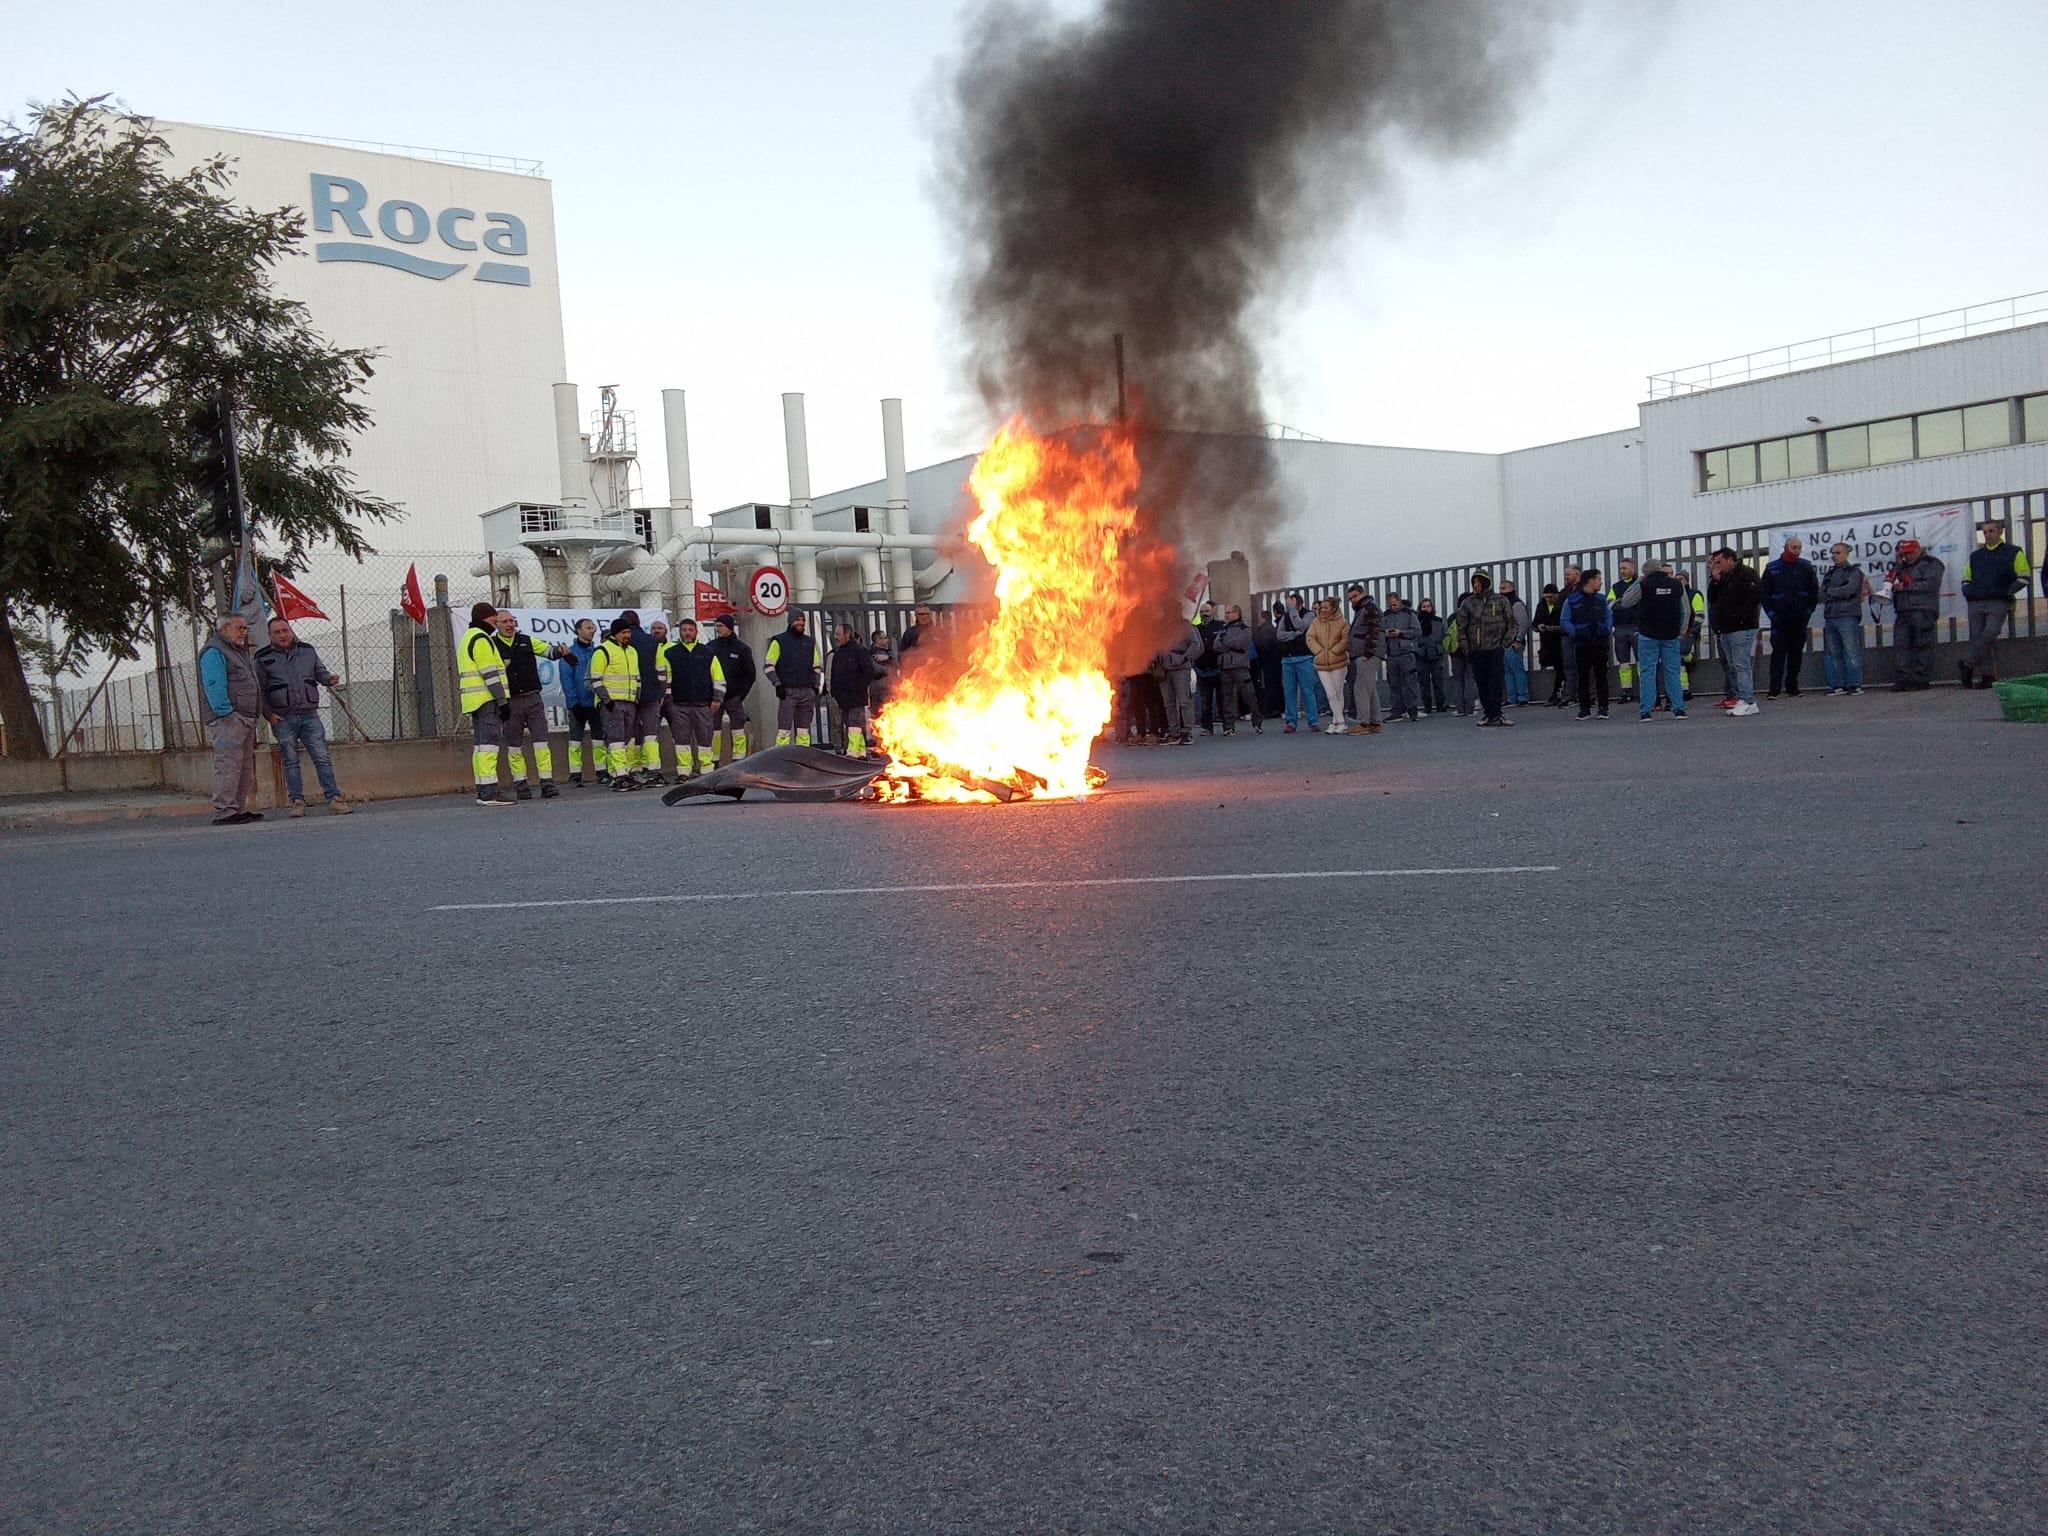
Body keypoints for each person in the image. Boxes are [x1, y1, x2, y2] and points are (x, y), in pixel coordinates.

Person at [257, 616, 351, 816]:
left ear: (290, 630)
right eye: (277, 632)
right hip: (282, 717)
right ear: (270, 635)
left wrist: (328, 679)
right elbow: (260, 690)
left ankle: (334, 798)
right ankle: (297, 802)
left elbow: (320, 672)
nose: (282, 635)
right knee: (290, 760)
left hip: (309, 715)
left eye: (285, 630)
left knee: (322, 757)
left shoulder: (308, 651)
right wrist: (269, 715)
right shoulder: (262, 657)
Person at [199, 612, 268, 825]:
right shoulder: (214, 652)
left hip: (244, 717)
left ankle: (238, 808)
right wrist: (226, 713)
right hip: (229, 718)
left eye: (245, 629)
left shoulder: (237, 651)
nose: (244, 633)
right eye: (240, 628)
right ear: (224, 629)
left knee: (243, 766)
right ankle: (225, 811)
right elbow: (214, 684)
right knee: (229, 765)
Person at [491, 610, 564, 800]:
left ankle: (547, 783)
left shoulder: (527, 640)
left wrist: (560, 651)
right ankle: (521, 784)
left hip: (533, 699)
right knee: (514, 746)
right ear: (497, 624)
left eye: (512, 621)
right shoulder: (492, 645)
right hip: (510, 701)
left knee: (541, 743)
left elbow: (549, 652)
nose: (509, 625)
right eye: (505, 621)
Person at [1960, 518, 2033, 688]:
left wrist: (2007, 592)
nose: (1987, 535)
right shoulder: (1976, 556)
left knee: (1990, 633)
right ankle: (1986, 676)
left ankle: (1967, 663)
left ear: (2000, 532)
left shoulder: (2013, 552)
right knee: (1977, 637)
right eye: (1984, 532)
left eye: (1991, 531)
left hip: (1999, 601)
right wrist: (1969, 593)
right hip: (1976, 601)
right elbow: (1966, 579)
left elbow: (2024, 576)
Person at [457, 601, 515, 805]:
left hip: (476, 701)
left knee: (481, 747)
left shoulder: (468, 637)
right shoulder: (482, 639)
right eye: (493, 617)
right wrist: (502, 701)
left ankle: (484, 789)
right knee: (489, 746)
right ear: (485, 618)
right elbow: (490, 674)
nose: (496, 621)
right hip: (487, 700)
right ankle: (490, 792)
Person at [1622, 559, 1688, 720]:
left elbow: (1626, 602)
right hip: (1671, 635)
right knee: (1673, 672)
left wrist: (1638, 581)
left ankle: (1646, 710)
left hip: (1648, 634)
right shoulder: (1676, 584)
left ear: (1645, 572)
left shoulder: (1644, 584)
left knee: (1647, 672)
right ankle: (1678, 708)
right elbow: (1686, 609)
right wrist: (1681, 631)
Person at [1452, 572, 1517, 727]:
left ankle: (1497, 714)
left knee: (1495, 682)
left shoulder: (1500, 600)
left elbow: (1511, 623)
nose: (1476, 585)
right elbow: (1461, 627)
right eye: (1474, 582)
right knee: (1482, 683)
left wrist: (1505, 643)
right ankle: (1488, 714)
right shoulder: (1467, 603)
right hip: (1476, 650)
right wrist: (1466, 647)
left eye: (1479, 582)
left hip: (1495, 648)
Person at [1760, 536, 1820, 698]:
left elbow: (1814, 591)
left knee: (1796, 653)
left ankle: (1792, 687)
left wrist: (1808, 611)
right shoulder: (1772, 568)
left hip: (1799, 618)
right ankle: (1774, 689)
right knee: (1778, 654)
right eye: (1794, 547)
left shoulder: (1806, 567)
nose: (1797, 551)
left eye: (1799, 547)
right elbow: (1764, 594)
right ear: (1786, 547)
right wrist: (1772, 614)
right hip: (1780, 619)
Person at [589, 614, 644, 790]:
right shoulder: (602, 651)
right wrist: (607, 700)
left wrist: (636, 698)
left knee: (626, 739)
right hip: (612, 703)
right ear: (615, 633)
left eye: (628, 632)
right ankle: (620, 774)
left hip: (629, 702)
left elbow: (637, 677)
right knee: (616, 739)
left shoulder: (632, 651)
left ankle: (621, 773)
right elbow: (595, 679)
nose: (627, 635)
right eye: (624, 632)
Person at [1707, 548, 1764, 716]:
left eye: (1719, 562)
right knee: (1733, 665)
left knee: (1741, 664)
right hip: (1725, 628)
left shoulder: (1746, 574)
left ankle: (1747, 700)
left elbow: (1756, 596)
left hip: (1742, 627)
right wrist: (1716, 581)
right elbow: (1712, 598)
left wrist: (1740, 616)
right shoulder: (1722, 578)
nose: (1715, 566)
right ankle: (1741, 698)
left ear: (1730, 559)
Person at [663, 618, 723, 776]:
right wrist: (670, 704)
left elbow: (718, 678)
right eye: (684, 630)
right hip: (679, 705)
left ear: (696, 632)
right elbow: (666, 680)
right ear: (679, 632)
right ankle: (684, 772)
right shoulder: (670, 654)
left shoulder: (707, 653)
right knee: (681, 740)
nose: (687, 633)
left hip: (703, 704)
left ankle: (707, 771)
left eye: (690, 629)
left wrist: (717, 699)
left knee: (705, 739)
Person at [1886, 538, 1945, 691]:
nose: (1907, 556)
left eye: (1910, 553)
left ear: (1918, 550)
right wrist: (1898, 564)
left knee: (1923, 644)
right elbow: (1890, 581)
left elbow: (1931, 584)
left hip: (1923, 609)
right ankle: (1905, 678)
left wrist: (1906, 586)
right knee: (1901, 645)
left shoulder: (1931, 563)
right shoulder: (1901, 566)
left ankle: (1921, 678)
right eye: (1904, 553)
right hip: (1903, 610)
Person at [560, 618, 609, 786]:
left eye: (593, 628)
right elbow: (567, 680)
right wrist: (574, 702)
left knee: (598, 739)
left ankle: (602, 771)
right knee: (575, 740)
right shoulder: (570, 654)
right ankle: (575, 774)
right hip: (578, 705)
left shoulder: (597, 652)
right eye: (588, 628)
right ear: (578, 631)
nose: (592, 630)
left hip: (595, 703)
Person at [766, 610, 822, 746]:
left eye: (803, 620)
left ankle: (802, 757)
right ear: (790, 621)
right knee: (784, 729)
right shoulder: (779, 641)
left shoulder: (809, 642)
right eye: (797, 620)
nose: (801, 623)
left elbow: (817, 666)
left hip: (807, 691)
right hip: (787, 692)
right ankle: (782, 758)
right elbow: (768, 666)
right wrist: (778, 685)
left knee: (804, 730)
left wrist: (815, 686)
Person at [1562, 569, 1612, 720]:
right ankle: (1584, 709)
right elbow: (1565, 620)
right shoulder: (1572, 600)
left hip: (1600, 641)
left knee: (1601, 676)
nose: (1601, 582)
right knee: (1583, 676)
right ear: (1590, 581)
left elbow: (1609, 617)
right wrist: (1576, 633)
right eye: (1598, 579)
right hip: (1582, 642)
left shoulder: (1601, 599)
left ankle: (1603, 708)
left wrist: (1606, 630)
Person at [1819, 543, 1869, 696]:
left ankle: (1855, 684)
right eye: (1833, 553)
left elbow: (1849, 589)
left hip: (1847, 615)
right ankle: (1838, 685)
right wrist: (1835, 592)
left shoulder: (1854, 572)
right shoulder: (1829, 573)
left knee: (1851, 651)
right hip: (1831, 616)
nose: (1834, 555)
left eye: (1838, 552)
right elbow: (1820, 594)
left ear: (1846, 554)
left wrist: (1830, 592)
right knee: (1835, 652)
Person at [708, 613, 756, 759]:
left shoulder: (742, 649)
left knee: (738, 730)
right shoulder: (710, 647)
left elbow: (750, 675)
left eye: (720, 626)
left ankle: (739, 760)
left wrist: (740, 696)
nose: (718, 629)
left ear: (729, 627)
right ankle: (714, 760)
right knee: (713, 731)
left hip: (733, 697)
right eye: (716, 626)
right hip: (714, 698)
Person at [827, 621, 878, 754]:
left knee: (855, 725)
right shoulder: (838, 653)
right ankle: (861, 752)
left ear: (847, 634)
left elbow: (868, 672)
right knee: (851, 725)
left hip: (856, 697)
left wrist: (859, 688)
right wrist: (835, 693)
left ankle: (852, 752)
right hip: (843, 699)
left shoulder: (859, 651)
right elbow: (834, 675)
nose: (835, 637)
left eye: (838, 634)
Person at [1306, 597, 1351, 734]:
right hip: (1322, 663)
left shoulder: (1342, 622)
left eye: (1326, 607)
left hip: (1338, 661)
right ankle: (1339, 721)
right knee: (1330, 693)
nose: (1323, 610)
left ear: (1334, 608)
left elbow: (1345, 639)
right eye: (1322, 607)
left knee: (1338, 692)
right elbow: (1310, 638)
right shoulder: (1315, 622)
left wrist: (1333, 651)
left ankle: (1337, 722)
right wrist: (1319, 652)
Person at [1275, 592, 1318, 733]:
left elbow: (1301, 625)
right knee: (1289, 692)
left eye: (1290, 602)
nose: (1287, 605)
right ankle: (1291, 722)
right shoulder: (1284, 617)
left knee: (1307, 690)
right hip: (1287, 659)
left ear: (1296, 602)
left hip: (1304, 657)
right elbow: (1279, 635)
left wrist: (1293, 611)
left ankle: (1313, 721)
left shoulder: (1309, 614)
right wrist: (1293, 634)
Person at [1216, 605, 1262, 734]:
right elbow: (1216, 645)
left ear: (1237, 613)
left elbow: (1240, 644)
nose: (1226, 615)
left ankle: (1257, 722)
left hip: (1240, 666)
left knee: (1249, 695)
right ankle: (1228, 727)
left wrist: (1226, 643)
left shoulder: (1245, 629)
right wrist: (1230, 644)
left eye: (1229, 612)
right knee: (1227, 697)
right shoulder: (1223, 629)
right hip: (1225, 667)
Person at [1160, 612, 1203, 744]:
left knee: (1184, 701)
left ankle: (1187, 732)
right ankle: (1174, 732)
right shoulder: (1161, 627)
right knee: (1169, 703)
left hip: (1181, 669)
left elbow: (1197, 645)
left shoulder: (1186, 626)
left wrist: (1184, 657)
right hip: (1164, 668)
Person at [1345, 584, 1382, 734]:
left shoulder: (1369, 608)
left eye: (1355, 596)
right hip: (1366, 652)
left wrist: (1368, 652)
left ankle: (1363, 723)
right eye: (1350, 598)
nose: (1352, 600)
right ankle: (1375, 722)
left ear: (1362, 594)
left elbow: (1374, 630)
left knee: (1360, 687)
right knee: (1369, 687)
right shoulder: (1365, 609)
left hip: (1365, 653)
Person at [1380, 592, 1422, 723]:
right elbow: (1379, 632)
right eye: (1390, 605)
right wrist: (1385, 634)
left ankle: (1412, 710)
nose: (1393, 607)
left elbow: (1417, 631)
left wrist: (1401, 633)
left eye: (1394, 604)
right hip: (1391, 654)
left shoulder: (1410, 614)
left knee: (1410, 684)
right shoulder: (1385, 616)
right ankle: (1396, 711)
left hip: (1406, 653)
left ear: (1399, 601)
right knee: (1393, 684)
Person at [1605, 561, 1640, 702]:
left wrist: (1620, 603)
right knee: (1623, 662)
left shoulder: (1639, 584)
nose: (1622, 571)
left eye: (1624, 568)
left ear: (1633, 568)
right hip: (1620, 628)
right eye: (1620, 568)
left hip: (1637, 626)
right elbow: (1609, 604)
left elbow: (1618, 604)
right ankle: (1626, 691)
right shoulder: (1616, 587)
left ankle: (1645, 689)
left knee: (1641, 660)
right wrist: (1627, 604)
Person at [1192, 601, 1224, 733]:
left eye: (1207, 611)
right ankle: (1207, 726)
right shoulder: (1196, 628)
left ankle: (1227, 725)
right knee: (1205, 699)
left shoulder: (1221, 626)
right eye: (1202, 612)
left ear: (1212, 612)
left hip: (1218, 669)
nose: (1204, 614)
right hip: (1202, 669)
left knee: (1222, 698)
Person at [1531, 584, 1566, 705]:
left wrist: (1558, 628)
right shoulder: (1541, 605)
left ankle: (1558, 694)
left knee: (1562, 669)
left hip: (1560, 641)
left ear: (1556, 595)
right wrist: (1539, 626)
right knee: (1557, 668)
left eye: (1551, 597)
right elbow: (1535, 622)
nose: (1548, 600)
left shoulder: (1562, 604)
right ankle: (1557, 694)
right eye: (1546, 597)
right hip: (1546, 642)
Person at [1499, 578, 1531, 707]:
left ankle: (1522, 696)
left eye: (1503, 588)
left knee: (1516, 670)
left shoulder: (1516, 604)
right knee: (1508, 670)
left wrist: (1518, 639)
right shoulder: (1506, 604)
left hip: (1513, 643)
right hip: (1505, 643)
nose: (1501, 592)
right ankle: (1512, 697)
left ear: (1511, 589)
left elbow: (1523, 623)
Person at [1415, 597, 1449, 714]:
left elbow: (1444, 637)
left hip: (1436, 655)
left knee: (1438, 682)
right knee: (1423, 682)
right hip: (1421, 656)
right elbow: (1414, 638)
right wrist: (1418, 650)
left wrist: (1440, 649)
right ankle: (1427, 705)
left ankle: (1440, 704)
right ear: (1420, 608)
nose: (1426, 609)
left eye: (1428, 606)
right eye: (1424, 606)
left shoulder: (1438, 621)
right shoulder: (1416, 622)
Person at [1557, 563, 1582, 708]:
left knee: (1583, 665)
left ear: (1577, 575)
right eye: (1565, 574)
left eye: (1569, 574)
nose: (1566, 577)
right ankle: (1569, 695)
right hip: (1566, 633)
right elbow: (1560, 613)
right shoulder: (1563, 592)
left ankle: (1584, 694)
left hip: (1580, 632)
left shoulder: (1583, 591)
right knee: (1569, 665)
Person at [1251, 605, 1283, 719]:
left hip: (1267, 663)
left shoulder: (1264, 630)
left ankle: (1270, 709)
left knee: (1268, 685)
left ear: (1263, 618)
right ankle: (1276, 708)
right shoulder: (1272, 629)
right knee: (1274, 684)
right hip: (1273, 662)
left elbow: (1263, 646)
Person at [868, 629, 897, 718]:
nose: (887, 640)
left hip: (890, 690)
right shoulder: (871, 653)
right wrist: (890, 670)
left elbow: (898, 664)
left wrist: (888, 658)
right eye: (885, 638)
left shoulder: (889, 653)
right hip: (878, 692)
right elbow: (875, 670)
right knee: (878, 718)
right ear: (877, 640)